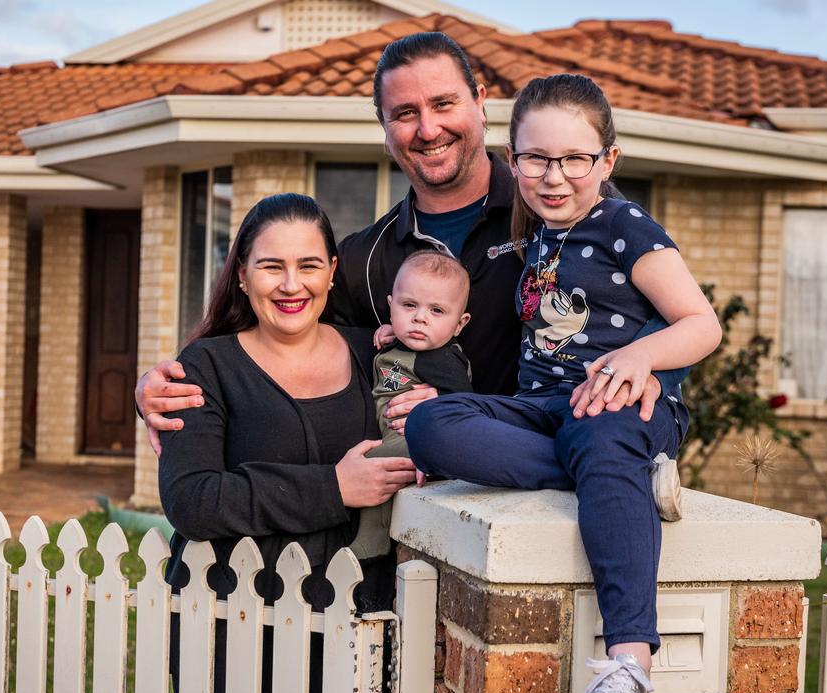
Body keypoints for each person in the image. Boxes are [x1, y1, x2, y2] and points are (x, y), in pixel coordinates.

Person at [135, 31, 686, 449]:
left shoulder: (560, 206)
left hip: (557, 467)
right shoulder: (361, 259)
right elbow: (278, 338)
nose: (427, 129)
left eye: (444, 104)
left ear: (479, 100)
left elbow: (669, 313)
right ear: (383, 126)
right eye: (405, 113)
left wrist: (654, 374)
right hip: (409, 506)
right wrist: (167, 383)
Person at [404, 74, 723, 693]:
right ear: (511, 158)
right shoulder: (542, 231)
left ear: (607, 161)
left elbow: (700, 323)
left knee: (600, 434)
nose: (554, 176)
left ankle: (629, 669)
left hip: (622, 407)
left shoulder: (624, 225)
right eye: (534, 159)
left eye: (574, 158)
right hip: (545, 408)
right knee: (432, 425)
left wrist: (638, 359)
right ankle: (624, 478)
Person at [160, 193, 415, 693]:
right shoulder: (207, 364)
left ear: (331, 274)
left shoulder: (377, 356)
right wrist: (334, 489)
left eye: (307, 265)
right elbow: (191, 498)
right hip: (236, 616)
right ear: (243, 275)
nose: (290, 284)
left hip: (358, 617)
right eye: (271, 266)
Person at [350, 249, 473, 559]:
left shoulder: (440, 358)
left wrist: (429, 448)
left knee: (376, 463)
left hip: (413, 441)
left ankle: (370, 543)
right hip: (395, 433)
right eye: (409, 306)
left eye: (437, 311)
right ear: (390, 307)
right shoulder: (404, 343)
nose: (420, 317)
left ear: (459, 324)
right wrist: (390, 332)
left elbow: (466, 403)